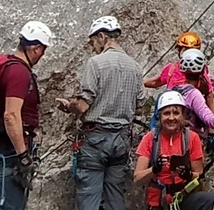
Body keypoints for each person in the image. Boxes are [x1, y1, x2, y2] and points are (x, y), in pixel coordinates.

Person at [55, 16, 146, 210]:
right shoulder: (135, 67)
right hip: (122, 139)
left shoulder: (95, 63)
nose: (93, 46)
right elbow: (138, 107)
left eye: (93, 41)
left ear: (102, 36)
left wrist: (68, 106)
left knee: (89, 194)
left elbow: (82, 106)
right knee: (115, 196)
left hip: (96, 138)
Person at [0, 20, 53, 210]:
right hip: (12, 150)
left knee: (7, 200)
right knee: (10, 203)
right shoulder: (19, 72)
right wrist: (23, 155)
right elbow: (11, 115)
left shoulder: (10, 67)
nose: (42, 55)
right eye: (43, 50)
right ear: (36, 48)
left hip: (8, 147)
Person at [134, 91, 214, 210]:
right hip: (158, 201)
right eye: (166, 113)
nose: (171, 118)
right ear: (160, 116)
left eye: (176, 113)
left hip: (183, 197)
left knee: (209, 200)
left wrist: (188, 175)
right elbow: (137, 177)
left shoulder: (192, 138)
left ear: (183, 116)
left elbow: (199, 175)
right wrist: (154, 169)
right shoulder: (150, 138)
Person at [143, 31, 214, 111]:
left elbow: (155, 82)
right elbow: (209, 94)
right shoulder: (200, 69)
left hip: (175, 109)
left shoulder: (173, 68)